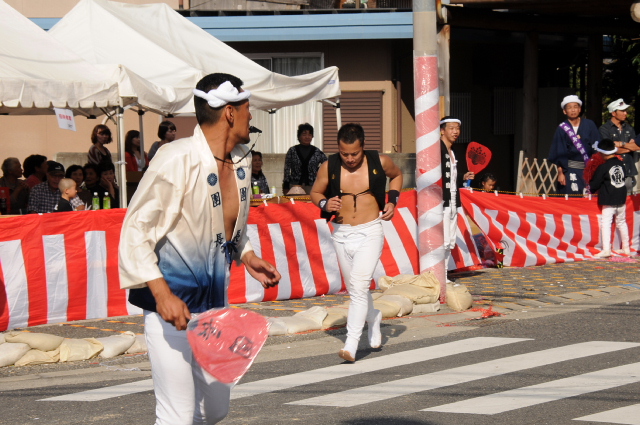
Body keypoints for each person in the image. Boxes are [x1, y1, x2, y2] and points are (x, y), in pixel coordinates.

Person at [119, 73, 281, 425]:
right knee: (176, 416)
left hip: (214, 310)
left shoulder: (240, 162)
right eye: (247, 107)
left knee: (214, 410)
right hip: (170, 307)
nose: (251, 115)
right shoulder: (175, 159)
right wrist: (162, 295)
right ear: (229, 113)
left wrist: (248, 255)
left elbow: (227, 226)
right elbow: (135, 230)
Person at [310, 123, 403, 363]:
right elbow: (315, 192)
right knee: (356, 289)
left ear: (363, 147)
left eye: (355, 154)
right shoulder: (329, 166)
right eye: (344, 154)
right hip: (341, 233)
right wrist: (324, 204)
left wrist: (392, 201)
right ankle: (374, 317)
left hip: (370, 231)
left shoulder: (380, 161)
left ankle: (351, 343)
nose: (350, 159)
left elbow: (397, 175)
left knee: (359, 287)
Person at [439, 116, 474, 281]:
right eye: (451, 128)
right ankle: (439, 274)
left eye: (457, 128)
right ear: (442, 131)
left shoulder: (451, 151)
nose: (455, 132)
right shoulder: (437, 150)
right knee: (443, 239)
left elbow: (451, 178)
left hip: (453, 199)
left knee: (450, 239)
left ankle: (444, 273)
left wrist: (462, 177)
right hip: (441, 201)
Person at [548, 95, 599, 195]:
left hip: (588, 169)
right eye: (569, 107)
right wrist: (560, 173)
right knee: (571, 197)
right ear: (564, 111)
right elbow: (558, 152)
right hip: (570, 170)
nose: (573, 110)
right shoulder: (561, 128)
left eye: (575, 107)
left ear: (580, 109)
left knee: (588, 197)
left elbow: (597, 146)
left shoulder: (590, 125)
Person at [588, 139, 629, 258]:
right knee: (622, 222)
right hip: (621, 198)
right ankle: (626, 248)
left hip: (608, 199)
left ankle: (606, 250)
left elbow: (595, 184)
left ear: (602, 153)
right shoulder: (621, 164)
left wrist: (591, 190)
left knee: (606, 223)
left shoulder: (603, 167)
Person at [599, 98, 638, 193]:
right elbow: (610, 149)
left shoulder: (629, 128)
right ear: (613, 113)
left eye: (626, 111)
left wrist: (621, 144)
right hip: (612, 171)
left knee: (628, 197)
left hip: (628, 170)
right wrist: (629, 147)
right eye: (622, 111)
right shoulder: (604, 129)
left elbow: (636, 146)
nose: (625, 113)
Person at [283, 123, 327, 194]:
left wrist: (318, 171)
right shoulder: (292, 151)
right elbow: (287, 169)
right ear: (299, 136)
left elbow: (326, 164)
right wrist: (286, 184)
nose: (307, 137)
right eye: (304, 134)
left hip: (312, 186)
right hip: (295, 186)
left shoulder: (316, 151)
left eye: (310, 134)